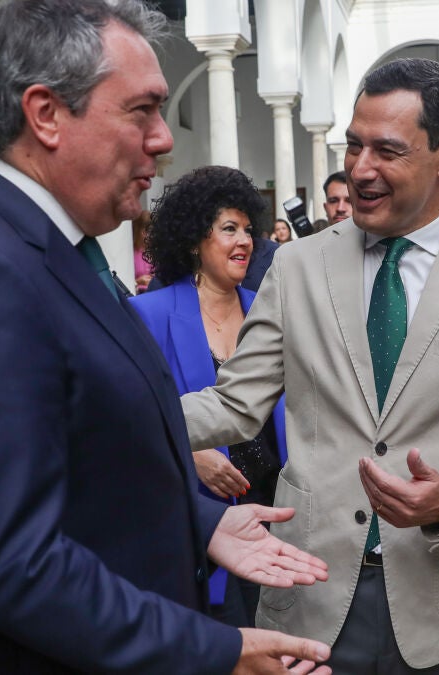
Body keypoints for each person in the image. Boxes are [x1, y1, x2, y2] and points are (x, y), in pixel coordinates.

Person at [0, 1, 330, 672]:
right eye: (140, 110)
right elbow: (12, 559)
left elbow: (90, 459)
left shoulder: (55, 249)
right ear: (46, 114)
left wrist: (203, 522)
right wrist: (217, 650)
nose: (163, 138)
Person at [181, 57, 439, 673]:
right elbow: (234, 404)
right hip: (308, 588)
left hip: (438, 602)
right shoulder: (296, 266)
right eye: (354, 145)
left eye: (388, 150)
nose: (360, 169)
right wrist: (124, 414)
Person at [131, 164, 288, 627]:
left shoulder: (269, 312)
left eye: (248, 230)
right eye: (229, 229)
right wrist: (191, 452)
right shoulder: (148, 314)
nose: (245, 241)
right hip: (199, 523)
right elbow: (126, 419)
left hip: (276, 512)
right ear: (194, 239)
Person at [132, 209, 155, 293]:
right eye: (147, 231)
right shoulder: (131, 253)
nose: (150, 235)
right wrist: (138, 281)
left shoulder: (155, 252)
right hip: (138, 294)